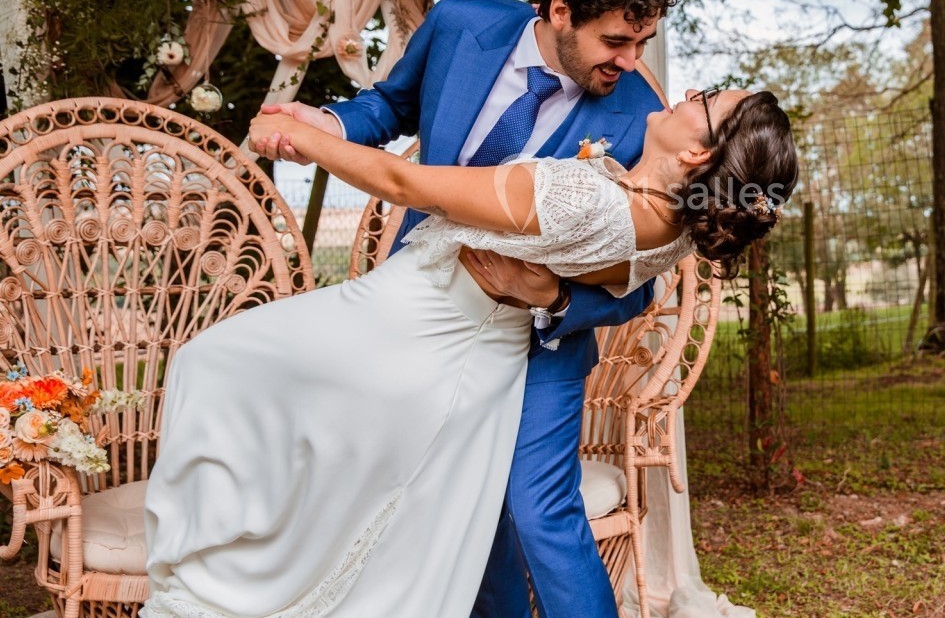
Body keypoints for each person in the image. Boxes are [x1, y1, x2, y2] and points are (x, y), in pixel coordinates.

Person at [141, 86, 799, 618]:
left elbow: (404, 184)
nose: (687, 91)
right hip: (479, 357)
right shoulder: (673, 231)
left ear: (694, 155)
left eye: (705, 100)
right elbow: (604, 276)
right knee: (388, 516)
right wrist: (551, 287)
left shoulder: (580, 199)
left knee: (211, 360)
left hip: (408, 323)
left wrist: (302, 137)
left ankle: (215, 570)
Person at [257, 0, 677, 618]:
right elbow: (390, 107)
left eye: (641, 42)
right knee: (444, 495)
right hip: (418, 308)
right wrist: (326, 118)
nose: (630, 63)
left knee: (532, 508)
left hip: (539, 340)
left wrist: (555, 297)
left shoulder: (637, 119)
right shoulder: (460, 23)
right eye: (616, 43)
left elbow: (640, 283)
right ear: (560, 10)